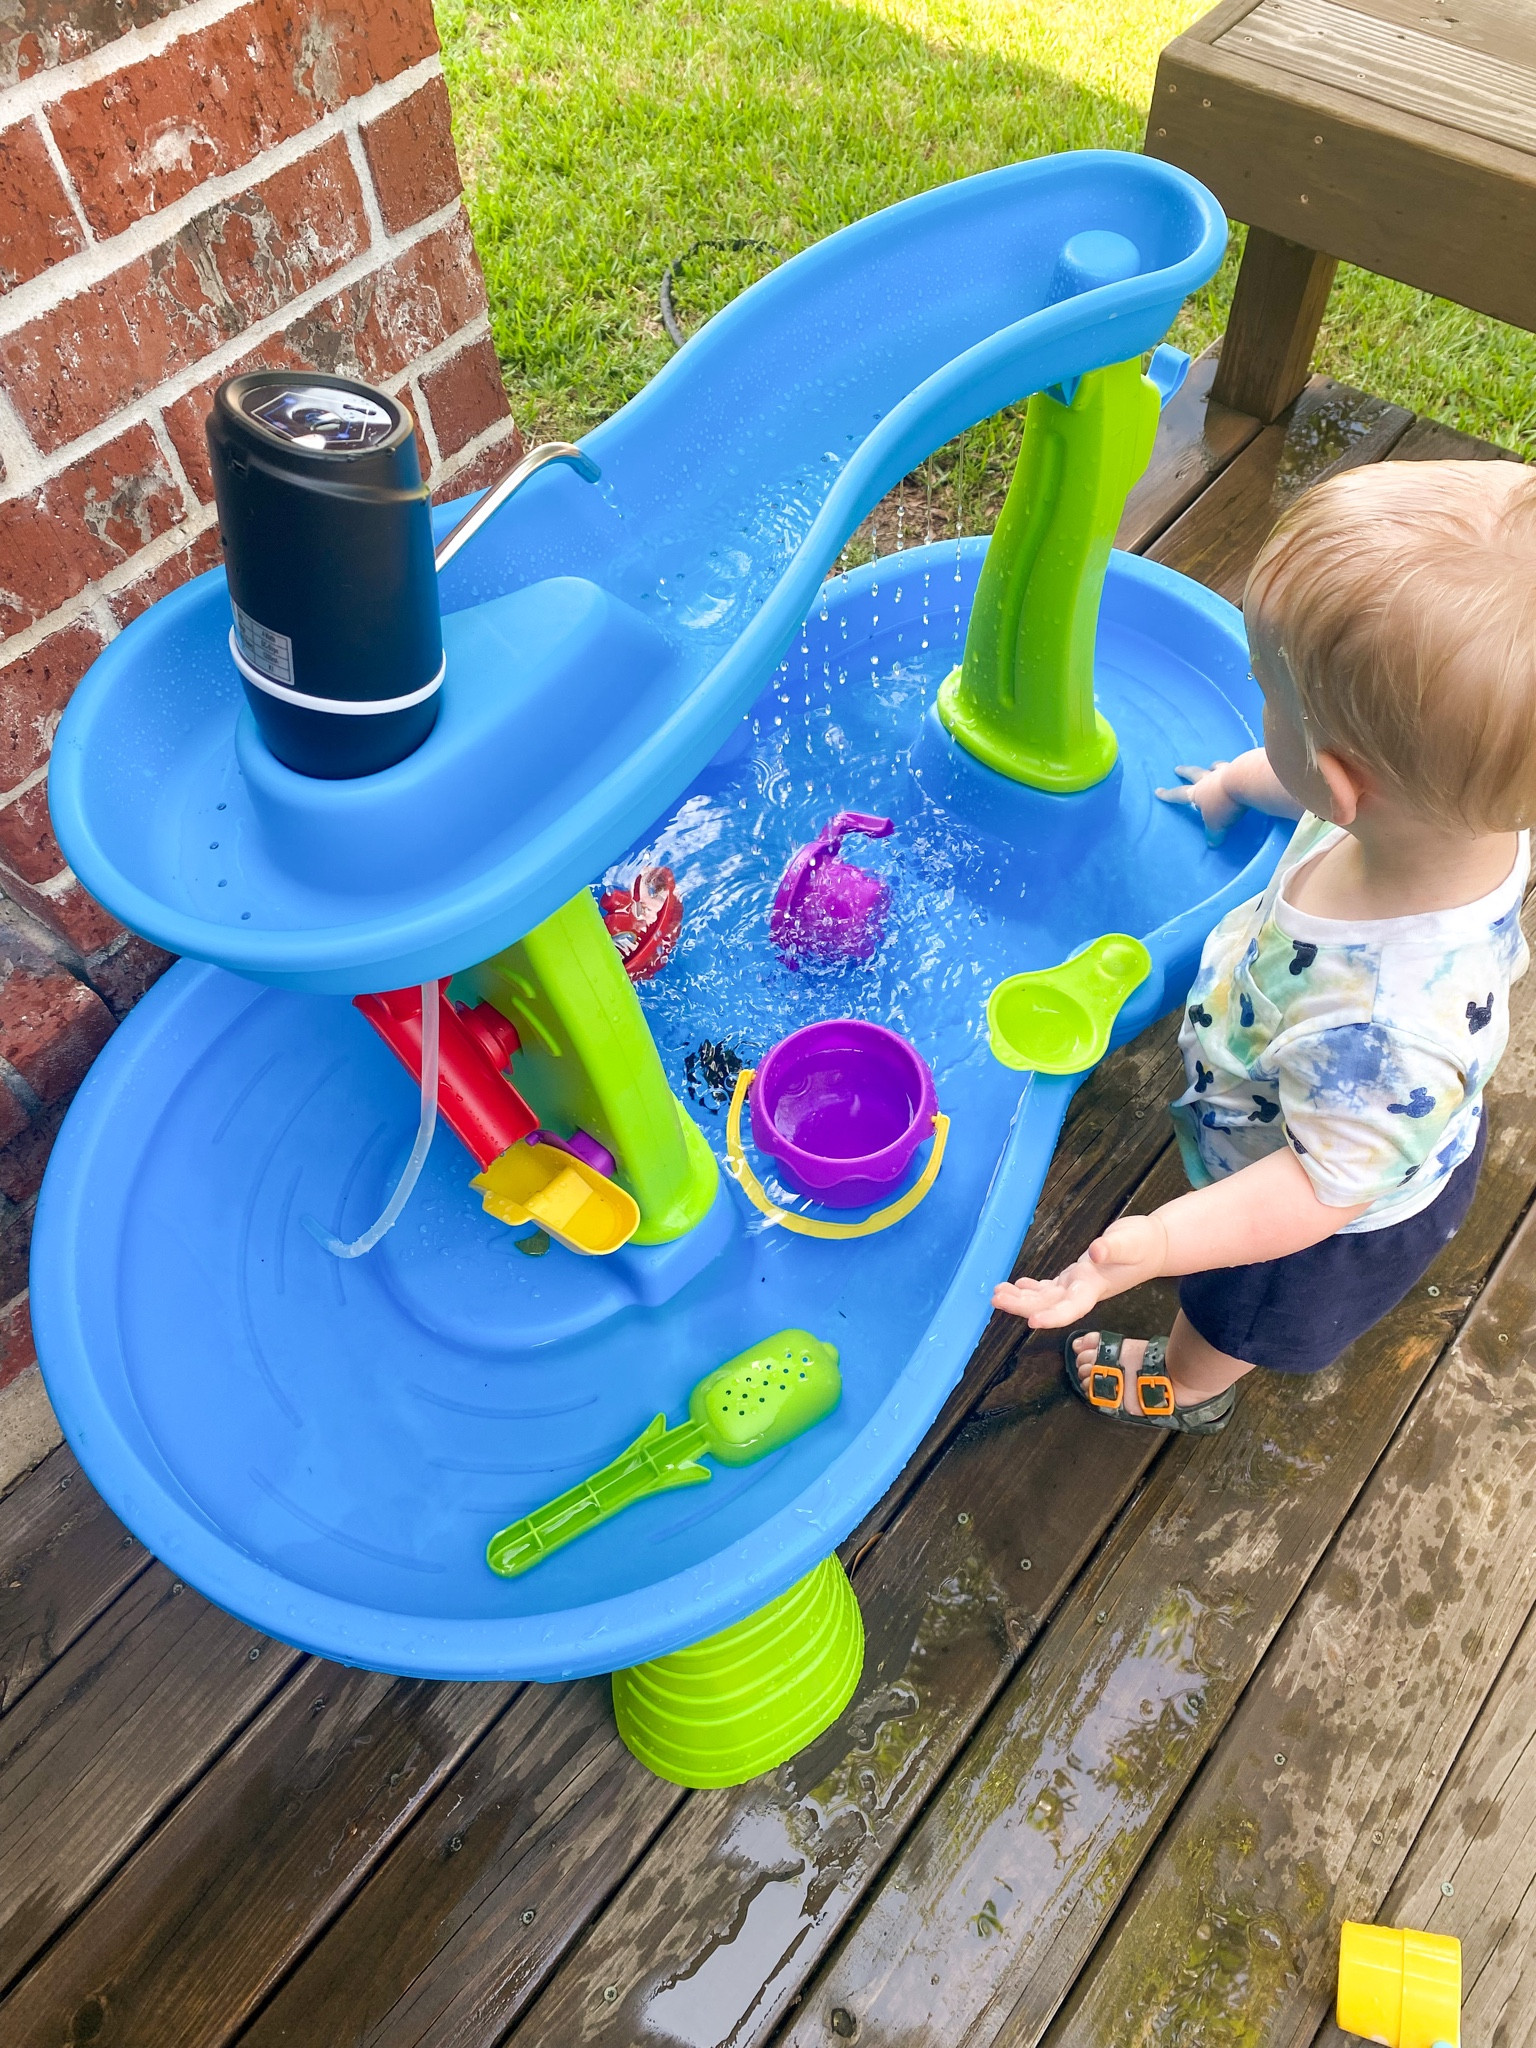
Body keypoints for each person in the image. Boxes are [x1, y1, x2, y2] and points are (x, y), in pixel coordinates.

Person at [991, 460, 1536, 1433]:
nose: (1261, 711)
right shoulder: (1456, 821)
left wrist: (1153, 1242)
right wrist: (1246, 777)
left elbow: (1313, 1193)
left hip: (1317, 1215)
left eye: (1271, 704)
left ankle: (1194, 1385)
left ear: (1341, 779)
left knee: (1233, 1308)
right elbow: (1332, 790)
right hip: (1359, 1116)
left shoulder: (1384, 1024)